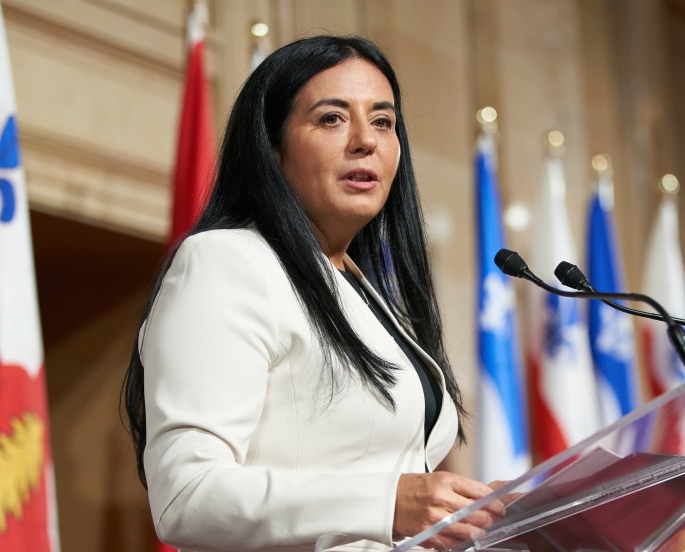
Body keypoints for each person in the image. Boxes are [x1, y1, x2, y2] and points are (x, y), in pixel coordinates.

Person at [123, 35, 504, 551]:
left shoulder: (363, 290)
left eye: (383, 121)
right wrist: (387, 504)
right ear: (272, 147)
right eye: (331, 118)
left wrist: (479, 514)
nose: (364, 140)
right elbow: (186, 497)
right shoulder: (228, 262)